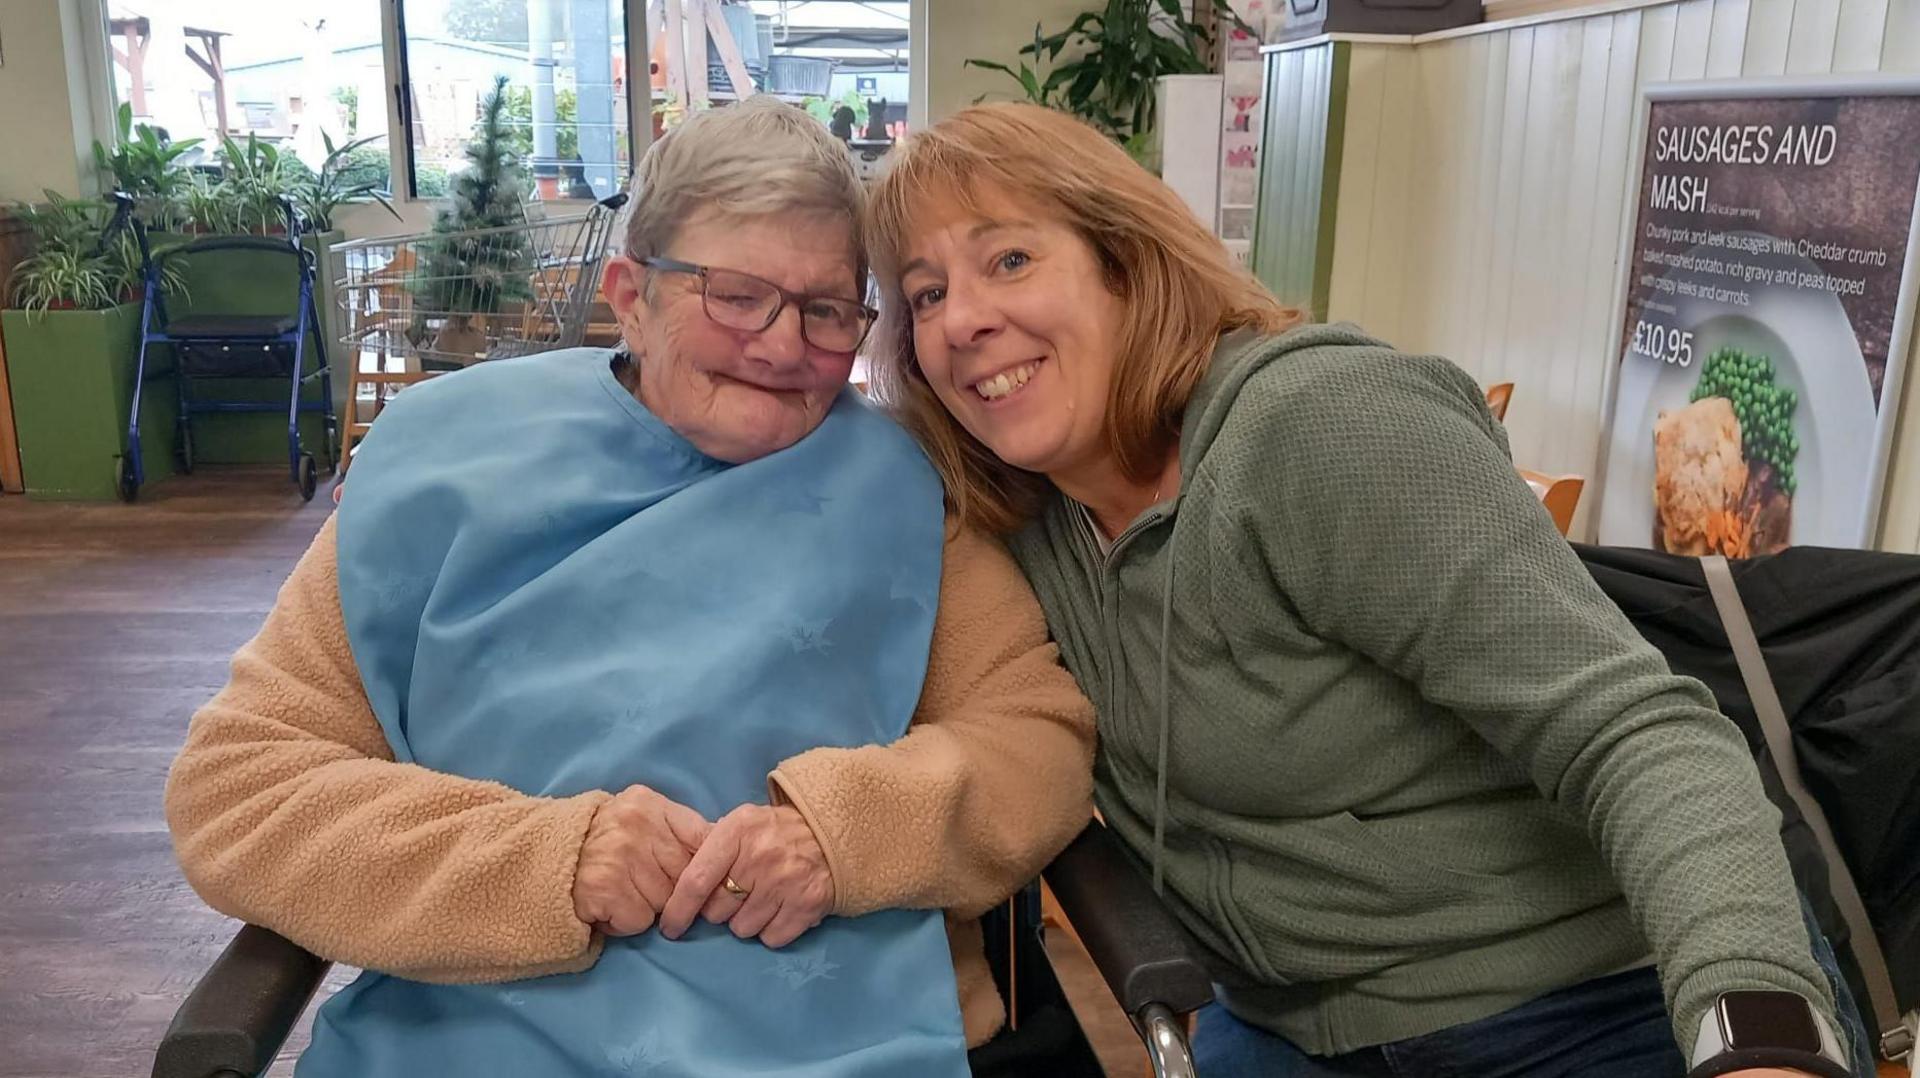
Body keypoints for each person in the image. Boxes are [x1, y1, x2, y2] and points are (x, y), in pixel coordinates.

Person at [865, 101, 1876, 1078]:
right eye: (925, 294)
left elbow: (1639, 734)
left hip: (1595, 1001)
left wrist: (1760, 1026)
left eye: (1009, 259)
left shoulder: (1318, 426)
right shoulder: (1012, 526)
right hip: (1291, 1028)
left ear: (1126, 263)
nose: (965, 321)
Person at [164, 96, 1095, 1077]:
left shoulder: (901, 490)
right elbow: (242, 786)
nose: (783, 347)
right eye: (735, 294)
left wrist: (845, 834)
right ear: (629, 292)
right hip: (486, 1039)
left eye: (826, 310)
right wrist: (547, 860)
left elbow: (1036, 736)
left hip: (844, 1038)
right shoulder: (444, 466)